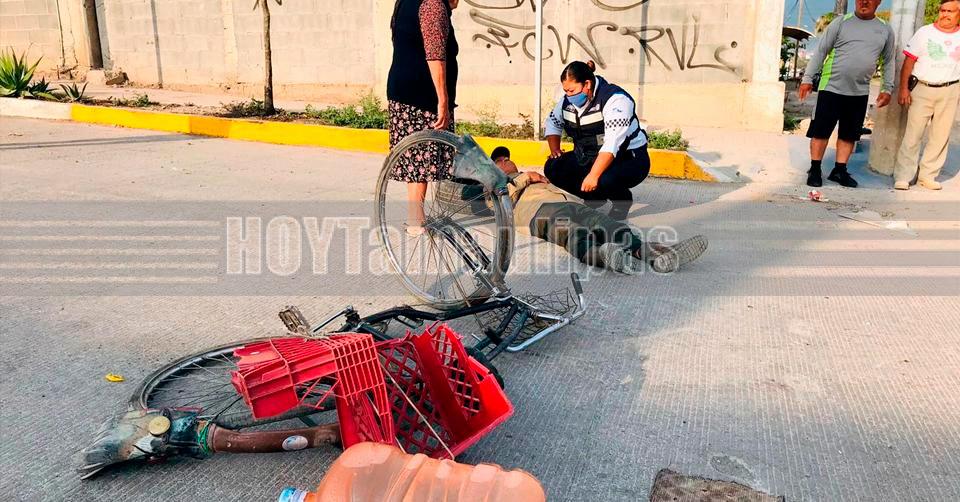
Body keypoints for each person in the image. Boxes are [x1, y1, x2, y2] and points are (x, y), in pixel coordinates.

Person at [490, 147, 706, 274]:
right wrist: (526, 177)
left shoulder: (534, 176)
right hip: (539, 213)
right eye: (499, 160)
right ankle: (604, 256)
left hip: (572, 204)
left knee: (609, 226)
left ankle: (652, 255)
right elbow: (497, 202)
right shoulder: (492, 185)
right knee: (573, 233)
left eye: (506, 157)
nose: (505, 160)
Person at [798, 0, 896, 188]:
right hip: (831, 87)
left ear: (878, 2)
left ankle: (839, 170)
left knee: (849, 134)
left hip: (860, 91)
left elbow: (889, 61)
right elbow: (821, 51)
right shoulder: (841, 22)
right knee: (821, 131)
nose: (864, 2)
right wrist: (807, 79)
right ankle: (815, 169)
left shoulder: (885, 29)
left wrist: (887, 88)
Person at [542, 61, 650, 222]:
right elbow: (553, 122)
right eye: (566, 91)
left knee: (604, 178)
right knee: (553, 167)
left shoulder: (616, 100)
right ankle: (595, 198)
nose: (569, 96)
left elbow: (612, 144)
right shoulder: (567, 101)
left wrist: (593, 176)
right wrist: (555, 150)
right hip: (589, 154)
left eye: (572, 91)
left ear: (587, 84)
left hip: (628, 158)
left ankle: (622, 200)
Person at [386, 0, 460, 234]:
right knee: (421, 159)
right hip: (422, 96)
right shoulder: (432, 5)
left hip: (402, 90)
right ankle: (416, 220)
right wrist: (443, 100)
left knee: (416, 159)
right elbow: (435, 55)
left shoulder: (406, 2)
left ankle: (415, 217)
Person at [893, 0, 960, 191]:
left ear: (958, 13)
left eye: (950, 11)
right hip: (922, 88)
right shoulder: (925, 32)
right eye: (942, 10)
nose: (945, 14)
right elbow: (908, 62)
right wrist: (903, 89)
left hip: (950, 90)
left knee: (940, 136)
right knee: (913, 134)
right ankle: (904, 176)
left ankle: (928, 176)